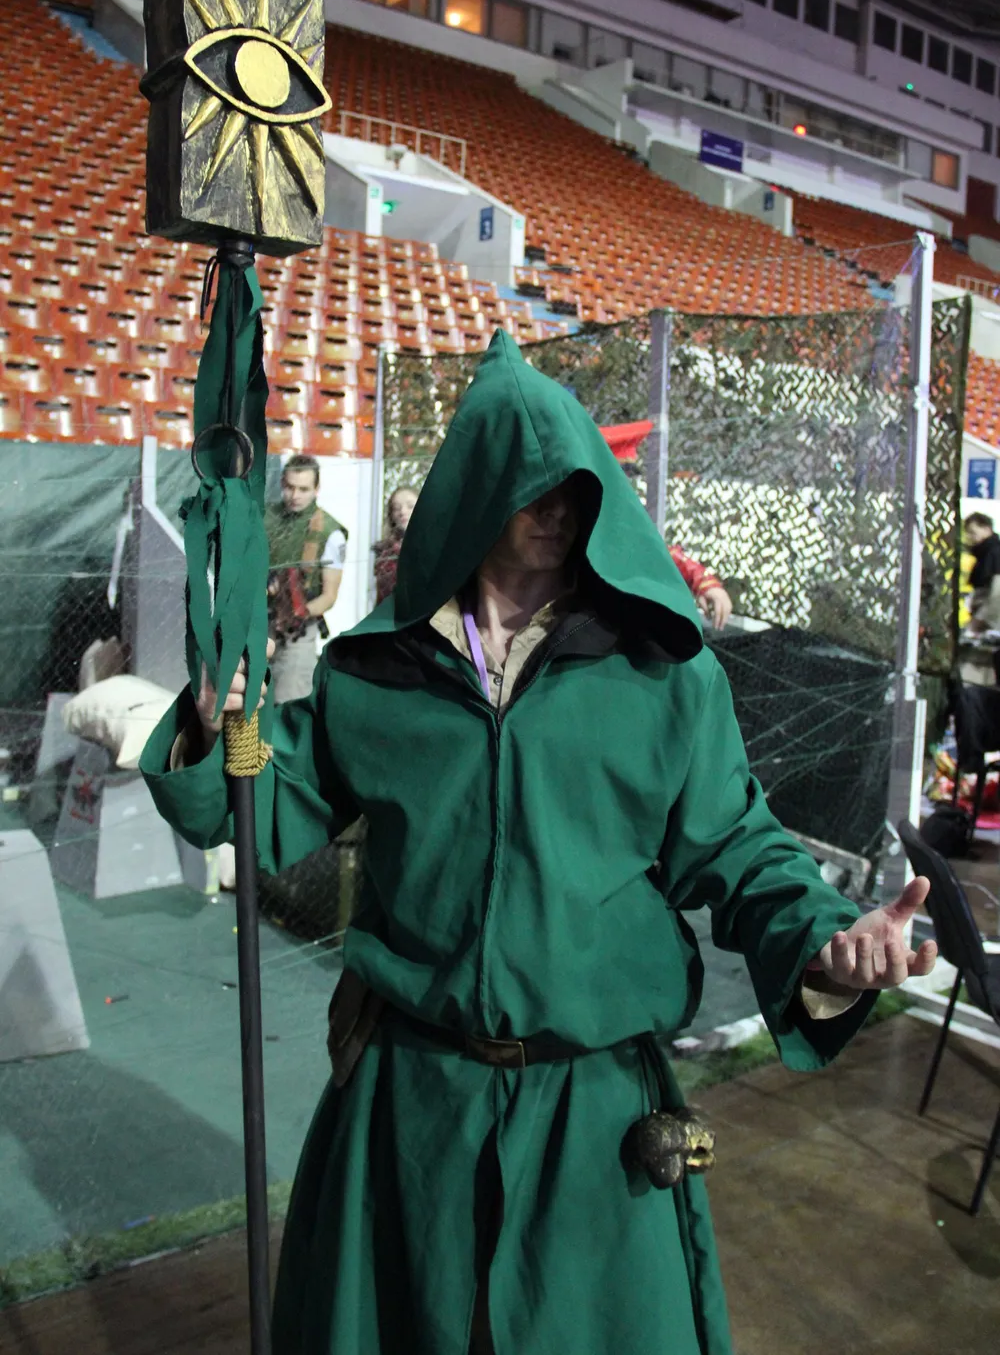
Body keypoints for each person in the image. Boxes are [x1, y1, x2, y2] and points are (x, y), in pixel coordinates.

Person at [141, 330, 936, 1355]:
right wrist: (216, 731)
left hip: (592, 1118)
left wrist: (825, 939)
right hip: (408, 1109)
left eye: (575, 485)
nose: (557, 508)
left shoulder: (663, 674)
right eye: (529, 486)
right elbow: (261, 799)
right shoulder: (374, 675)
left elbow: (738, 848)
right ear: (472, 491)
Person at [265, 454, 347, 703]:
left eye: (303, 489)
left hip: (298, 630)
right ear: (282, 482)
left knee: (289, 703)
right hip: (258, 623)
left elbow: (329, 596)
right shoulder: (263, 517)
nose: (295, 495)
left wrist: (296, 613)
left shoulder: (329, 531)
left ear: (316, 489)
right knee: (246, 705)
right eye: (290, 487)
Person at [371, 485, 418, 605]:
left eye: (410, 506)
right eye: (396, 508)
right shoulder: (384, 553)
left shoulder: (440, 547)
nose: (403, 512)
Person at [963, 511, 1000, 635]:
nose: (969, 536)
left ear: (987, 529)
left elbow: (997, 594)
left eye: (972, 532)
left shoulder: (995, 552)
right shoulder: (984, 553)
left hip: (990, 621)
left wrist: (979, 620)